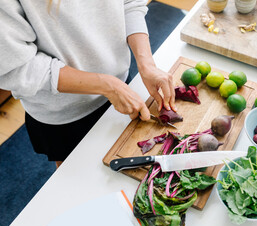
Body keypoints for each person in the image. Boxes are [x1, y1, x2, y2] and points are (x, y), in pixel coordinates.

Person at [0, 0, 176, 168]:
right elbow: (16, 66)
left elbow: (128, 3)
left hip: (121, 86)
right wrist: (108, 86)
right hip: (64, 114)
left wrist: (147, 65)